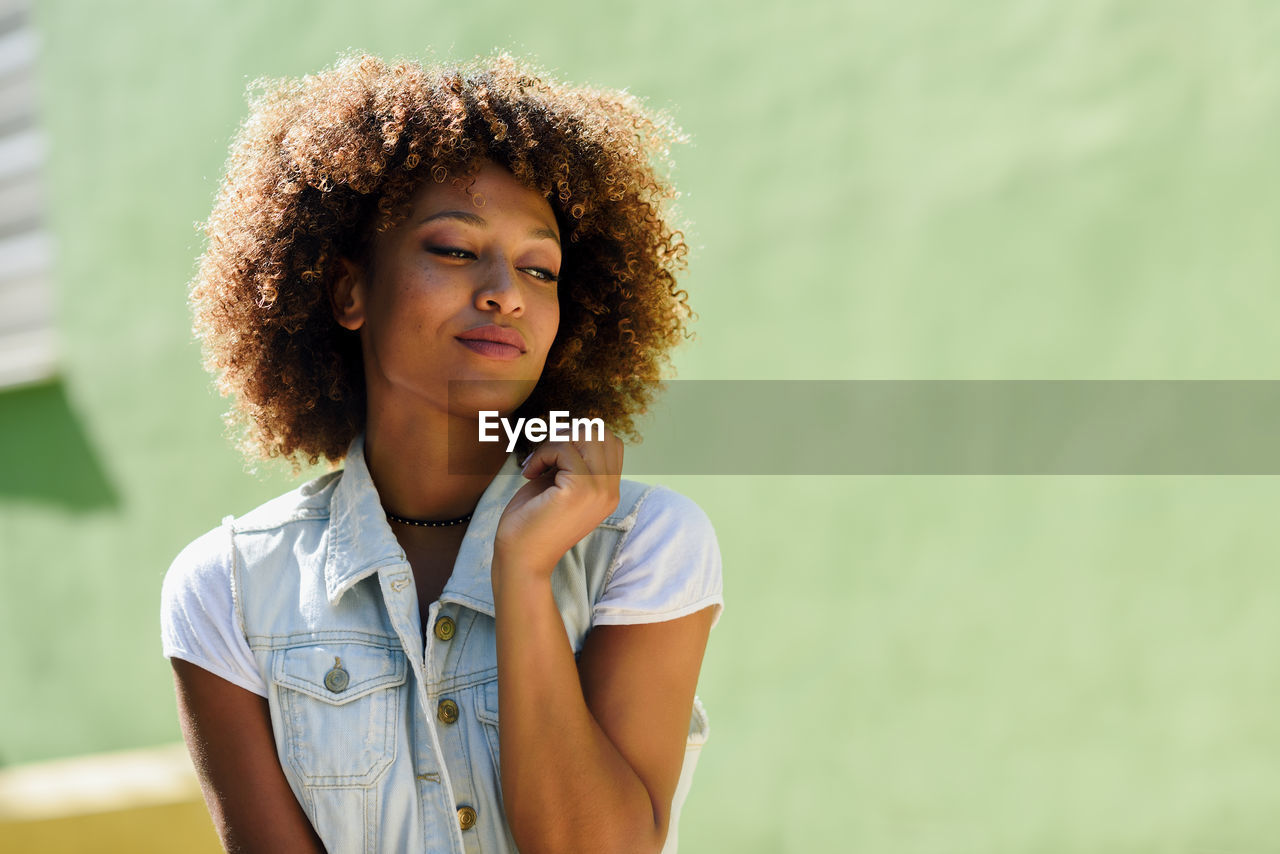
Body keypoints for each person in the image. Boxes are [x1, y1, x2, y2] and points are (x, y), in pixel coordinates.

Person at [160, 52, 724, 854]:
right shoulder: (227, 591)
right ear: (349, 292)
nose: (506, 291)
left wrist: (525, 574)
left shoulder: (647, 544)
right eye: (456, 250)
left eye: (541, 267)